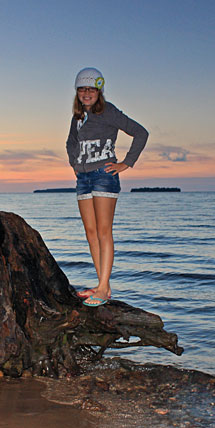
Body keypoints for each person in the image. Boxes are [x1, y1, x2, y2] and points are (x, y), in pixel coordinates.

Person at [66, 67, 149, 307]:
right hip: (83, 178)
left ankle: (102, 288)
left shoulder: (109, 111)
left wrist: (126, 163)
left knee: (104, 231)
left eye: (91, 89)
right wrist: (75, 164)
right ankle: (103, 285)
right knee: (90, 232)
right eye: (82, 89)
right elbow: (70, 142)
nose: (86, 93)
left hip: (104, 175)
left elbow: (141, 133)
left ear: (99, 90)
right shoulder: (78, 117)